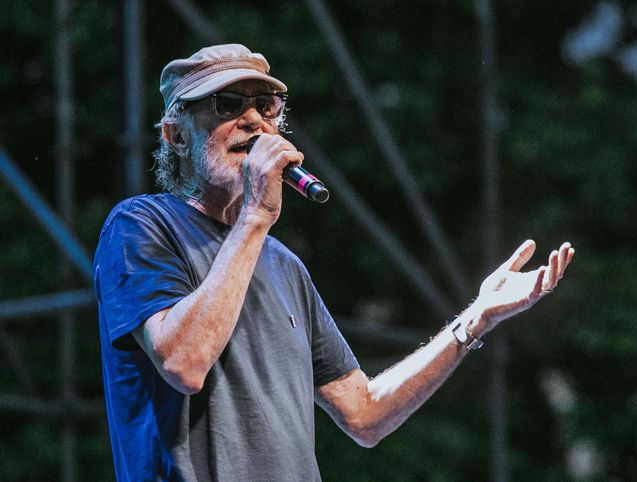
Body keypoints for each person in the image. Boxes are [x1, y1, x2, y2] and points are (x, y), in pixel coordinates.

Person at [94, 44, 575, 481]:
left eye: (267, 106)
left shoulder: (283, 266)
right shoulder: (140, 225)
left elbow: (363, 414)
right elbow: (183, 363)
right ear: (177, 136)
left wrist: (476, 318)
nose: (253, 120)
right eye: (227, 105)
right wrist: (257, 216)